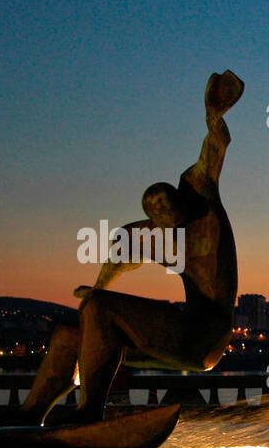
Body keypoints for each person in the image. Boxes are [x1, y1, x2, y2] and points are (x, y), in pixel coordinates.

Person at [22, 70, 244, 423]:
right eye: (160, 219)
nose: (168, 224)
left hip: (205, 336)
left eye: (170, 213)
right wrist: (97, 287)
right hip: (178, 334)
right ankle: (29, 418)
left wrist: (214, 116)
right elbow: (121, 254)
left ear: (179, 200)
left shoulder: (201, 195)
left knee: (100, 308)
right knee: (69, 334)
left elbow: (214, 148)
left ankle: (90, 414)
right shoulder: (159, 233)